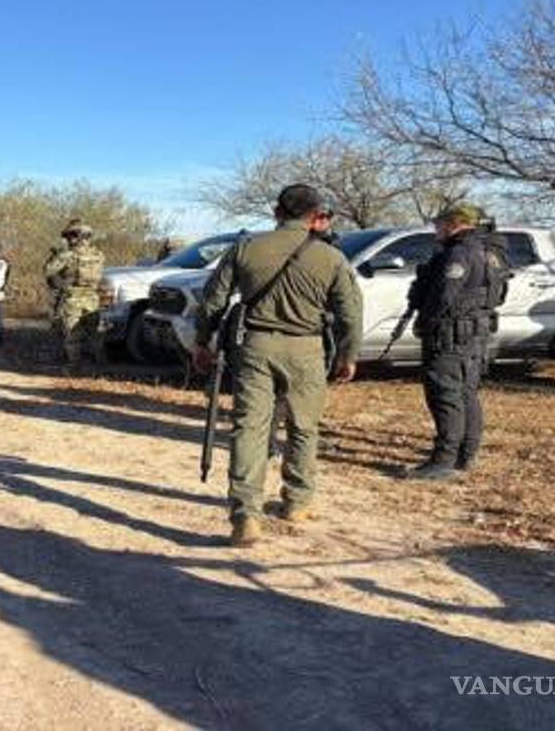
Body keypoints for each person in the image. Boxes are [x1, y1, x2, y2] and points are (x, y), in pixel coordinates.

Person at [192, 184, 363, 547]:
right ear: (315, 216)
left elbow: (213, 301)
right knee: (304, 426)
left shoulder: (245, 247)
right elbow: (350, 313)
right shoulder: (331, 257)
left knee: (250, 428)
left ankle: (245, 516)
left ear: (277, 212)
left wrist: (202, 341)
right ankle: (297, 502)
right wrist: (348, 356)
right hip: (307, 350)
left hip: (255, 346)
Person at [402, 204, 508, 481]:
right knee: (466, 393)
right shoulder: (489, 251)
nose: (436, 229)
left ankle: (444, 460)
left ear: (455, 223)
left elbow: (444, 295)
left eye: (439, 223)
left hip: (451, 334)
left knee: (445, 394)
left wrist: (425, 322)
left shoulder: (459, 253)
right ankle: (466, 453)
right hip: (475, 333)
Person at [43, 220, 106, 366]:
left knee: (72, 334)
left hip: (73, 298)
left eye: (71, 236)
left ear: (78, 236)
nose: (68, 239)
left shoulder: (68, 255)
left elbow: (48, 270)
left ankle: (74, 364)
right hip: (92, 298)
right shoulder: (99, 254)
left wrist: (57, 254)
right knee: (94, 332)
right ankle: (98, 362)